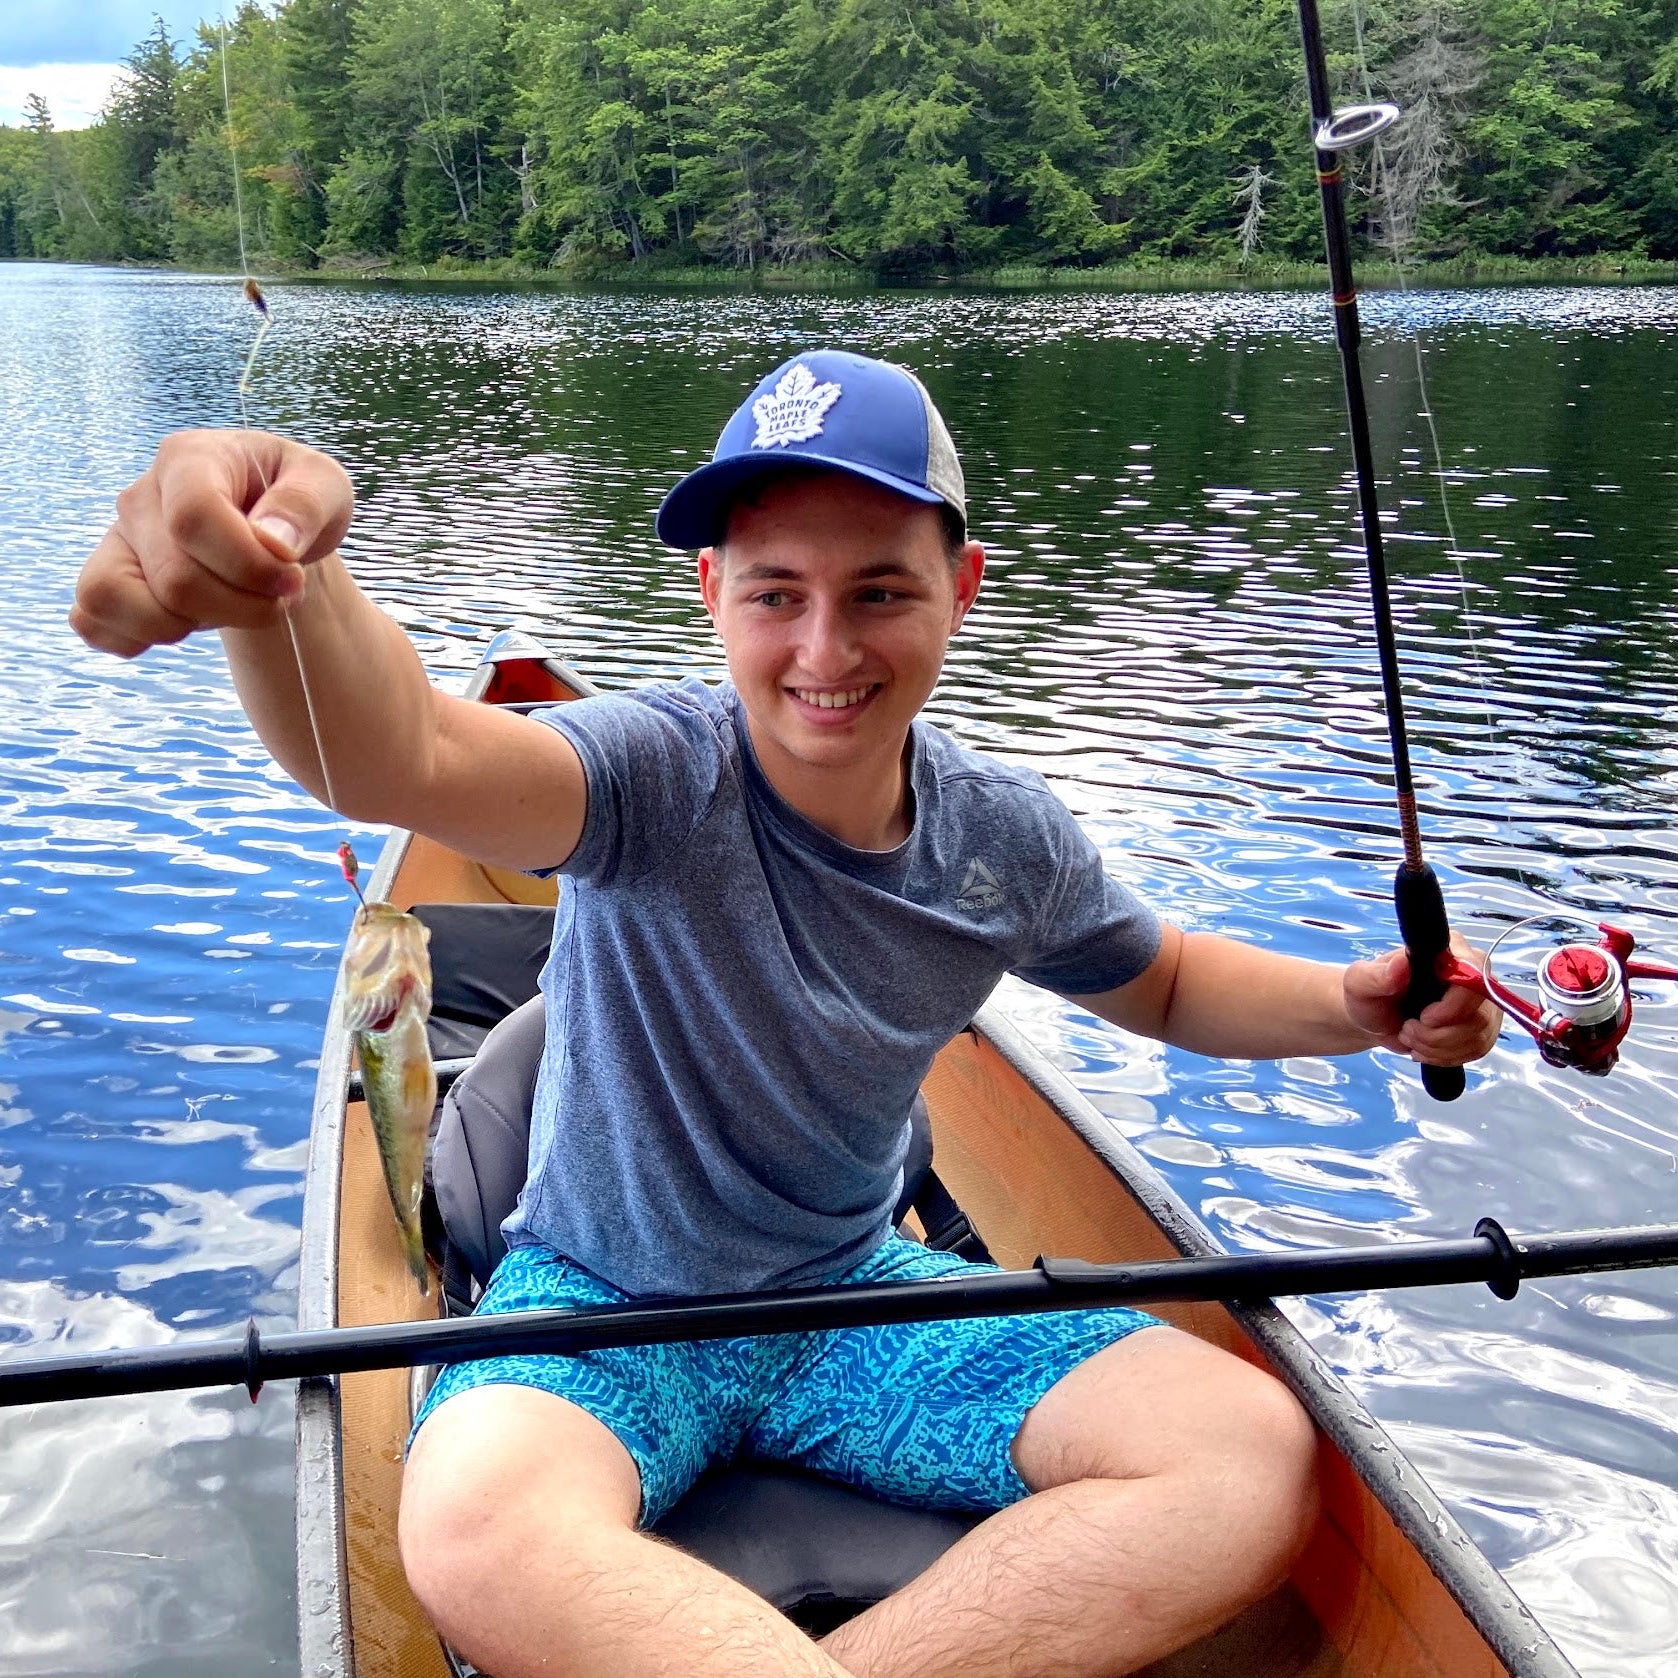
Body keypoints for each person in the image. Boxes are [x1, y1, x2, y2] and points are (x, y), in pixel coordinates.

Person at [71, 349, 1500, 1678]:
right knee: (471, 1529)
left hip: (854, 1295)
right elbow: (407, 748)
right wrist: (284, 568)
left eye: (880, 588)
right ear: (712, 593)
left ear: (965, 586)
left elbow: (1170, 978)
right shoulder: (644, 776)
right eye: (775, 593)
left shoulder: (1005, 839)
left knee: (1244, 1453)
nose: (826, 645)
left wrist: (1361, 1005)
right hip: (599, 1305)